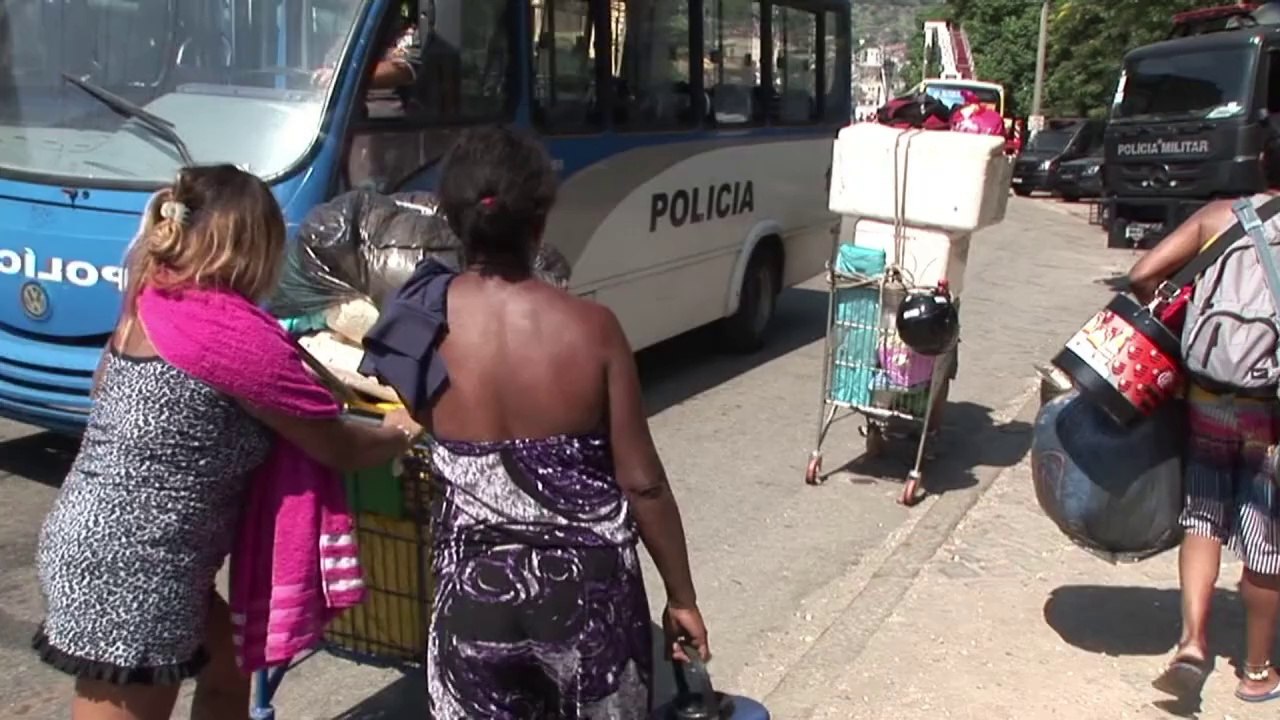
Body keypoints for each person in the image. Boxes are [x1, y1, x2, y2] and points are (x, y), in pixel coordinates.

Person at [32, 164, 422, 720]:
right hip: (135, 567)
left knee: (230, 664)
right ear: (253, 244)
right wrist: (400, 431)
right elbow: (335, 445)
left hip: (102, 539)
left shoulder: (153, 301)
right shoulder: (230, 337)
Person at [360, 126, 710, 718]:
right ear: (540, 220)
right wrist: (681, 596)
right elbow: (642, 482)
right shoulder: (593, 328)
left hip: (471, 595)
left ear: (452, 219)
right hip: (587, 597)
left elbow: (421, 411)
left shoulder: (422, 321)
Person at [1129, 131, 1280, 705]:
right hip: (1271, 414)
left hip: (1208, 398)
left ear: (1263, 161)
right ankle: (1258, 669)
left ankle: (1192, 645)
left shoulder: (1220, 216)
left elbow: (1145, 274)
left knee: (1203, 518)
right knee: (1266, 541)